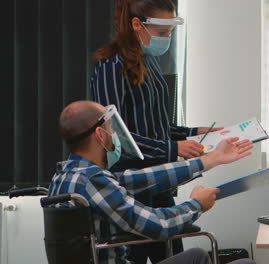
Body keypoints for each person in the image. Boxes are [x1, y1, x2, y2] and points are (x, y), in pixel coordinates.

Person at [90, 1, 223, 261]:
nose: (167, 39)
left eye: (171, 33)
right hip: (130, 190)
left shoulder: (148, 62)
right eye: (162, 33)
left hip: (159, 185)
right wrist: (173, 148)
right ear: (137, 24)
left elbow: (159, 127)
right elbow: (116, 135)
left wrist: (195, 132)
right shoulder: (111, 67)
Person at [48, 100, 255, 264]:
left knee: (197, 256)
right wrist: (196, 205)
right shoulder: (93, 181)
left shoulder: (65, 176)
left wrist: (208, 160)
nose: (115, 136)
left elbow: (145, 178)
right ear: (100, 135)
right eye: (111, 129)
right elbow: (158, 225)